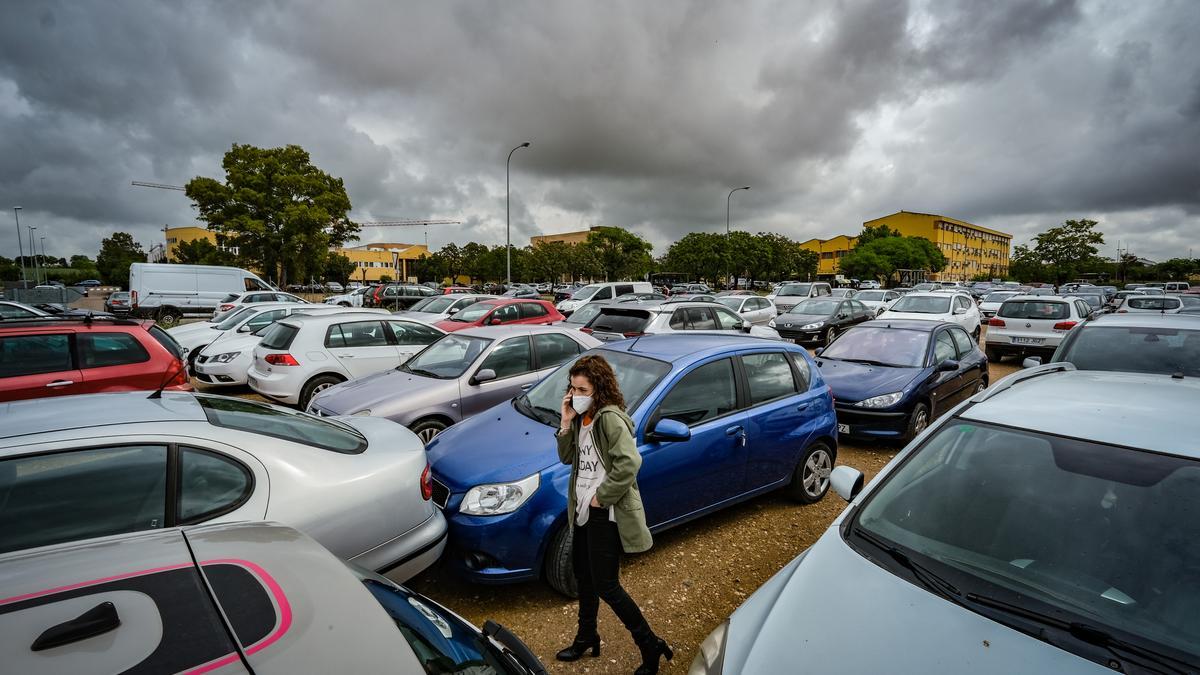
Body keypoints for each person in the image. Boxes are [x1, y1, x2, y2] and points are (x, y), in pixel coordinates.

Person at [554, 354, 672, 675]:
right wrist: (565, 421)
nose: (576, 395)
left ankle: (650, 645)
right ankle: (587, 637)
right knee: (584, 577)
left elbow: (630, 463)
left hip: (603, 513)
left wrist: (601, 499)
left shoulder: (609, 419)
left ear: (598, 388)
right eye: (573, 389)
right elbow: (567, 458)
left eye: (582, 389)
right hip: (580, 510)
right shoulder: (581, 418)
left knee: (607, 585)